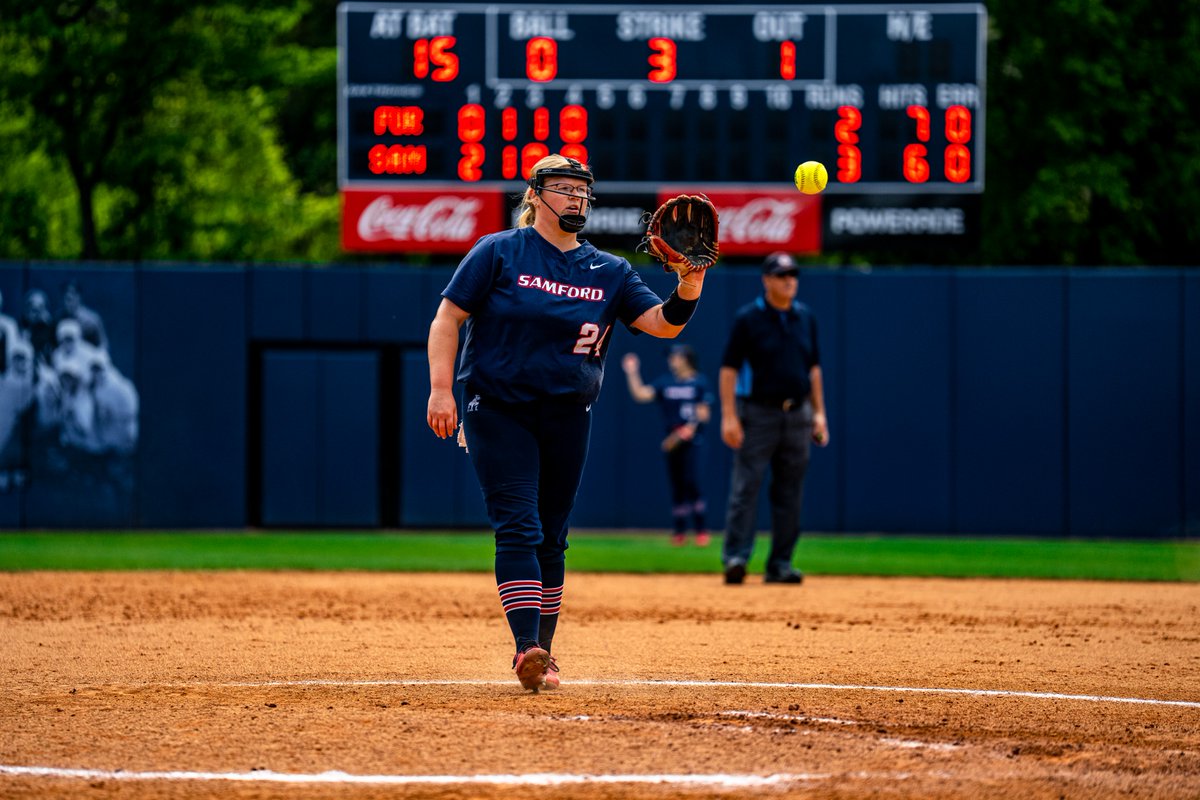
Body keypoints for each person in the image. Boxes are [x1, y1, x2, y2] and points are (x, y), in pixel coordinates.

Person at [426, 154, 709, 692]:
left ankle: (543, 656)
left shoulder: (609, 270)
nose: (576, 198)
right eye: (563, 188)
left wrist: (689, 284)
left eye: (583, 191)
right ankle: (526, 647)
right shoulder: (499, 251)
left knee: (552, 538)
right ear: (534, 196)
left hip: (567, 413)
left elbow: (661, 325)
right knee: (519, 526)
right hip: (499, 408)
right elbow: (448, 318)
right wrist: (442, 390)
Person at [718, 251, 829, 586]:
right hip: (758, 413)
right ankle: (736, 558)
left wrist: (820, 413)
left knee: (790, 492)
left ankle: (780, 563)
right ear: (766, 280)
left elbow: (813, 369)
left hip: (797, 413)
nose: (789, 281)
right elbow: (728, 369)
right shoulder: (748, 318)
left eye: (793, 275)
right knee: (746, 487)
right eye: (782, 275)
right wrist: (728, 416)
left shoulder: (805, 317)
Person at [621, 345, 713, 546]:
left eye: (675, 357)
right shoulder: (666, 382)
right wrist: (632, 371)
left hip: (692, 442)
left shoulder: (699, 382)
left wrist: (683, 433)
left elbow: (704, 414)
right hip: (672, 443)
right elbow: (640, 394)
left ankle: (701, 530)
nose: (672, 360)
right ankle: (679, 531)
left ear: (686, 359)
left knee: (693, 483)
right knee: (677, 486)